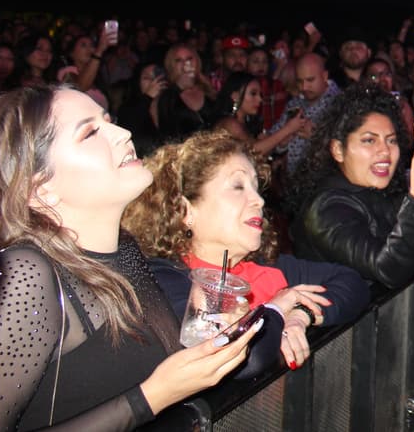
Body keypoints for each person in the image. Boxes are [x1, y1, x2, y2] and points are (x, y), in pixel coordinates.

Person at [0, 86, 263, 430]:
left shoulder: (126, 250)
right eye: (90, 132)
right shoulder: (28, 274)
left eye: (109, 120)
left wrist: (209, 341)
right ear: (41, 188)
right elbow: (153, 392)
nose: (123, 133)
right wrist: (151, 396)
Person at [123, 130, 369, 372]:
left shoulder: (267, 269)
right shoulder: (162, 278)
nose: (259, 201)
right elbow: (242, 357)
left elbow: (351, 282)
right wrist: (276, 310)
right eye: (238, 187)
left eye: (256, 188)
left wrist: (300, 315)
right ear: (186, 211)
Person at [285, 84, 414, 289]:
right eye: (369, 140)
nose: (385, 151)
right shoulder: (325, 210)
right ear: (338, 150)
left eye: (391, 140)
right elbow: (389, 270)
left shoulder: (378, 191)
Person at [213, 71, 308, 159]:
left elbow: (260, 153)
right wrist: (288, 129)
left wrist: (282, 141)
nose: (260, 99)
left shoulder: (246, 123)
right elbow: (252, 152)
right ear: (235, 96)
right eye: (253, 94)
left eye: (260, 94)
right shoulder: (230, 124)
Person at [151, 43, 215, 144]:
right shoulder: (166, 98)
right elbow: (165, 137)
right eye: (178, 60)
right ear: (171, 65)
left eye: (189, 58)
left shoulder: (209, 90)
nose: (186, 63)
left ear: (197, 61)